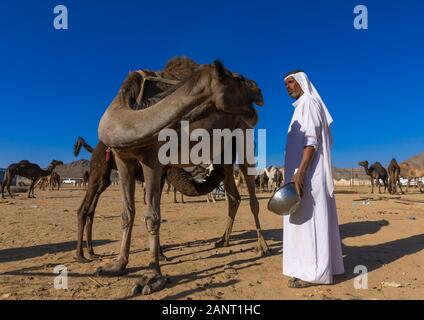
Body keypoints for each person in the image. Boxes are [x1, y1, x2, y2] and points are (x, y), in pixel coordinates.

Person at [282, 70, 345, 288]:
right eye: (286, 84)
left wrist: (301, 171)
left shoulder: (308, 103)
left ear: (301, 82)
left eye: (291, 82)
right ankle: (325, 267)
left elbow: (311, 141)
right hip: (303, 173)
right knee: (306, 221)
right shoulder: (301, 106)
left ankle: (313, 273)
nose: (288, 86)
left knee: (310, 223)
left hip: (308, 175)